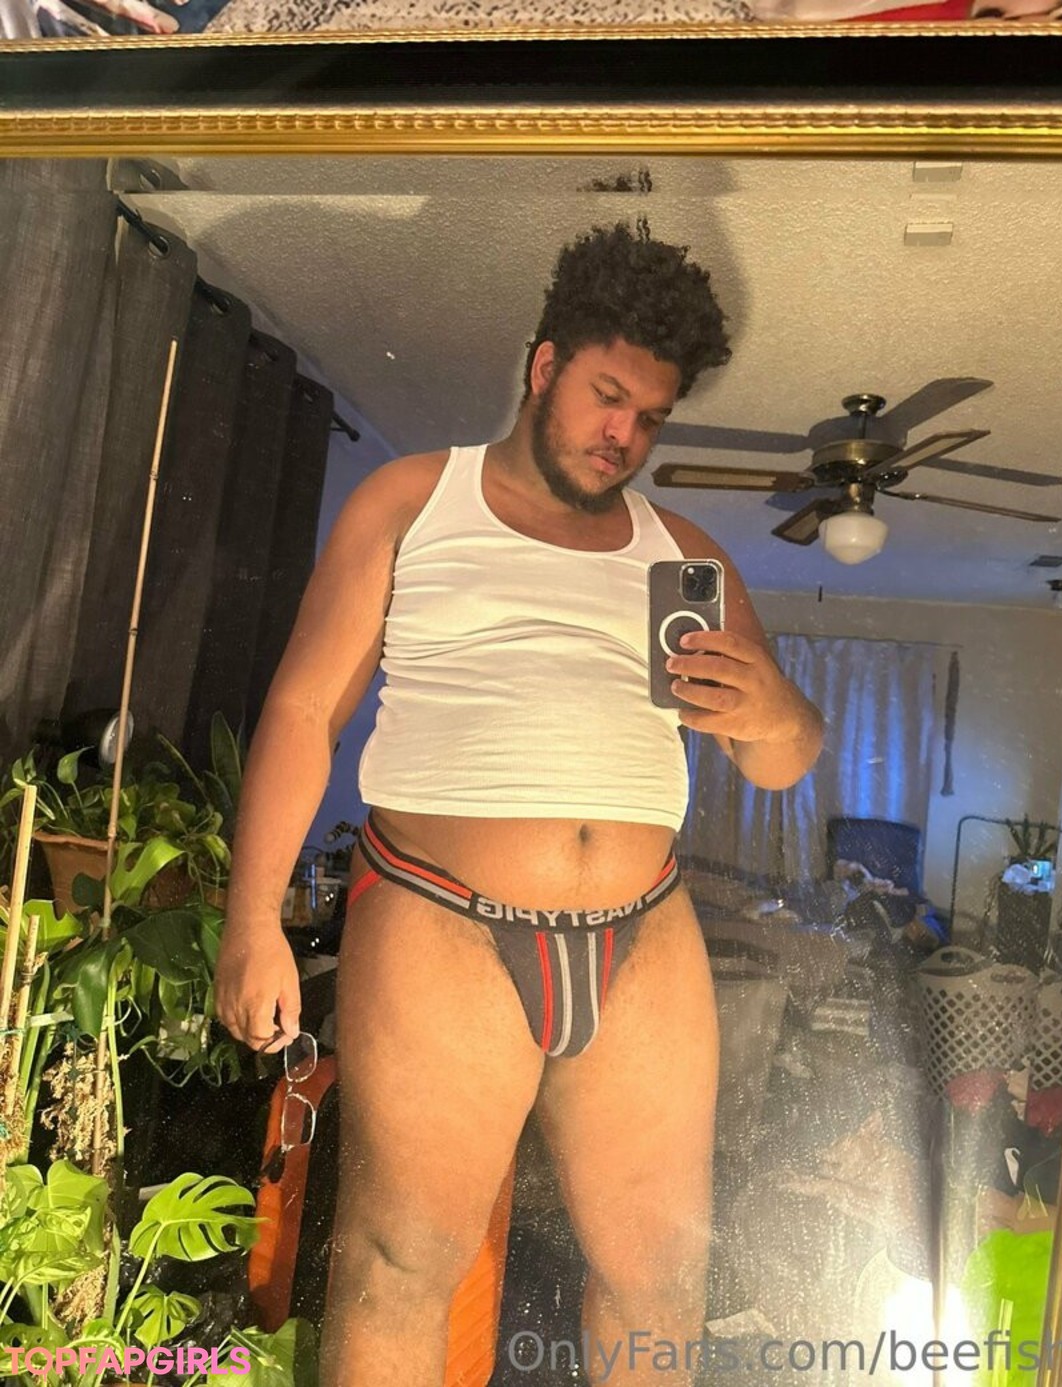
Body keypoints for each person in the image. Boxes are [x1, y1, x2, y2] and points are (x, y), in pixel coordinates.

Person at [215, 221, 823, 1387]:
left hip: (645, 934)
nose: (624, 435)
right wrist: (252, 920)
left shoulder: (683, 553)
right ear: (544, 366)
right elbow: (302, 712)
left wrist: (777, 706)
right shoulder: (412, 500)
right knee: (398, 1264)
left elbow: (782, 761)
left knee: (662, 1280)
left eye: (650, 417)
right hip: (438, 920)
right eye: (607, 397)